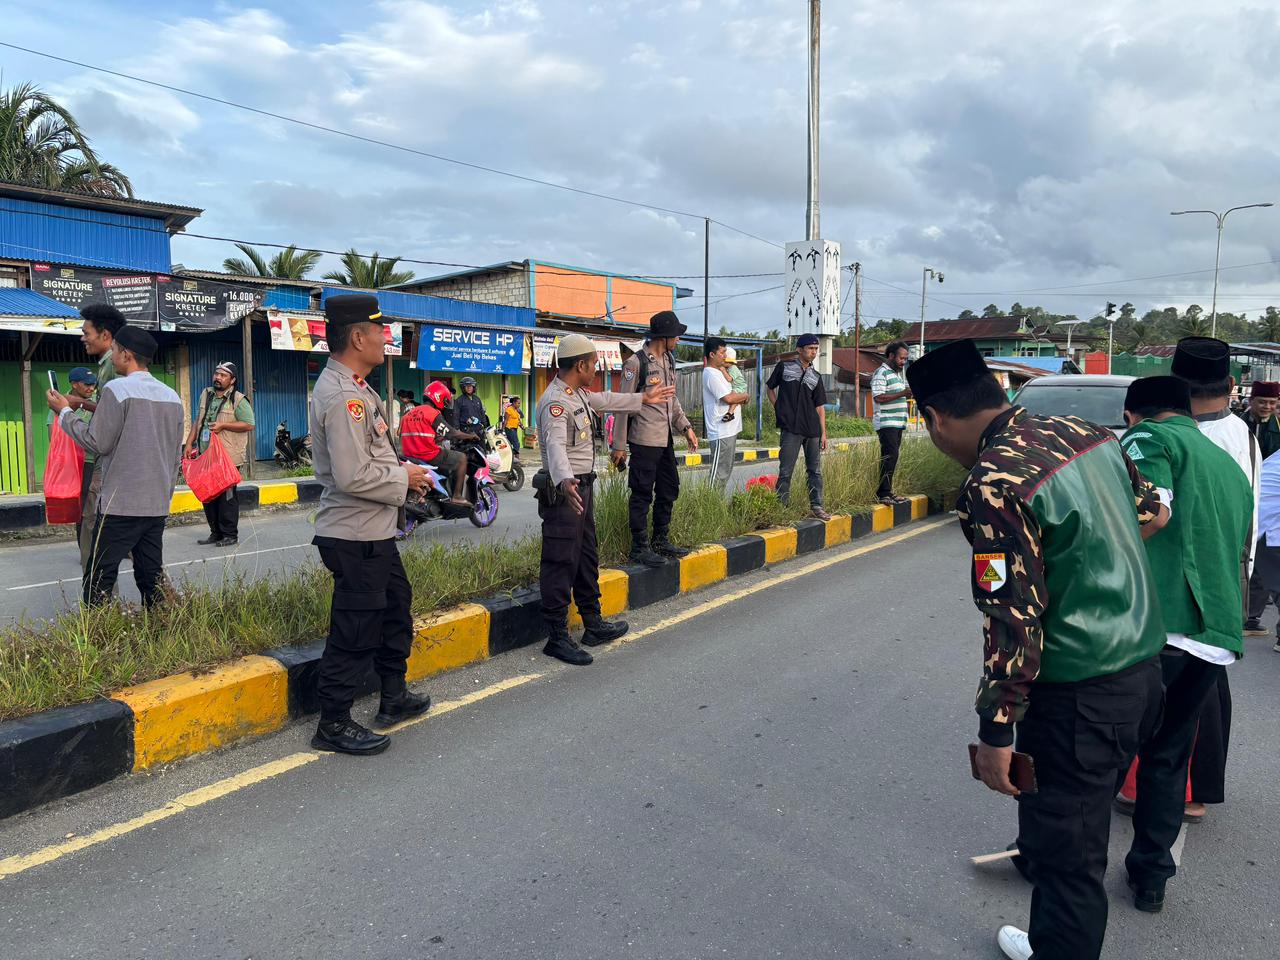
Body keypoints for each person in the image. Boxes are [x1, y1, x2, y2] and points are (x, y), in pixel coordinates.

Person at [906, 339, 1168, 960]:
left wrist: (996, 733)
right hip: (1144, 672)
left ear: (936, 419)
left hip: (1078, 696)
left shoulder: (994, 482)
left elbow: (1011, 618)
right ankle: (1052, 936)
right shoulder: (1086, 433)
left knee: (1068, 861)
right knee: (1080, 826)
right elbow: (1153, 512)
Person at [1118, 376, 1252, 915]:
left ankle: (1051, 865)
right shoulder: (1228, 465)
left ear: (1134, 414)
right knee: (1168, 757)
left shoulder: (1148, 439)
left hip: (1157, 626)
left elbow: (1150, 511)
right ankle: (1150, 879)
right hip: (1213, 636)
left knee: (1094, 755)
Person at [308, 294, 433, 756]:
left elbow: (373, 461)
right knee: (356, 628)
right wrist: (404, 476)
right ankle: (333, 723)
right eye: (380, 330)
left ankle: (392, 696)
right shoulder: (343, 397)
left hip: (375, 530)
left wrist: (407, 480)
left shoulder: (358, 388)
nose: (386, 338)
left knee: (396, 608)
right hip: (353, 534)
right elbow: (352, 474)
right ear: (358, 336)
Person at [535, 334, 674, 665]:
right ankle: (556, 636)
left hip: (582, 488)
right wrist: (566, 480)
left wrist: (645, 397)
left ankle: (592, 623)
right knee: (559, 560)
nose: (596, 367)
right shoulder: (557, 402)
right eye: (594, 362)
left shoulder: (578, 394)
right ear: (580, 365)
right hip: (565, 491)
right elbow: (555, 447)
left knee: (585, 558)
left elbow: (606, 399)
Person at [1170, 336, 1257, 820]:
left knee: (1178, 688)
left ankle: (1174, 789)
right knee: (1206, 683)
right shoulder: (1242, 434)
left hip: (1183, 583)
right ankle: (1197, 790)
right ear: (1229, 383)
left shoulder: (1171, 434)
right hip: (1226, 578)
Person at [47, 326, 184, 609]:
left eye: (115, 352)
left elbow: (97, 441)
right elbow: (174, 457)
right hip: (156, 504)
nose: (112, 358)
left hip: (120, 505)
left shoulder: (117, 389)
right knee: (150, 575)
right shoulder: (172, 396)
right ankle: (160, 631)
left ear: (126, 354)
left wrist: (65, 413)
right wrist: (165, 495)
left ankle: (97, 637)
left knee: (99, 576)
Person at [611, 310, 699, 567]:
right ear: (665, 336)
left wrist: (686, 427)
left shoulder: (669, 360)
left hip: (665, 440)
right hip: (643, 440)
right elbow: (623, 406)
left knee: (669, 488)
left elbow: (672, 399)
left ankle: (661, 540)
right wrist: (619, 445)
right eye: (676, 336)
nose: (679, 340)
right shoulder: (636, 364)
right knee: (641, 493)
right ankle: (640, 547)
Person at [70, 303, 126, 572]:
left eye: (86, 332)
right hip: (111, 460)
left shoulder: (112, 367)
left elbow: (113, 416)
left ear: (105, 335)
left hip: (108, 459)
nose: (83, 337)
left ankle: (98, 601)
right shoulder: (107, 366)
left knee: (93, 529)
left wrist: (72, 406)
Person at [185, 361, 254, 547]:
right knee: (208, 496)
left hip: (227, 458)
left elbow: (249, 424)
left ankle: (230, 535)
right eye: (217, 374)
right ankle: (215, 533)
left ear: (232, 380)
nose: (218, 377)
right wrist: (189, 442)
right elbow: (198, 420)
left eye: (223, 375)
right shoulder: (205, 394)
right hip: (206, 455)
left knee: (226, 499)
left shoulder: (238, 400)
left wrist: (224, 425)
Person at [767, 332, 830, 520]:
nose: (814, 352)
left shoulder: (815, 376)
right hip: (791, 429)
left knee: (814, 470)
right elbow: (770, 387)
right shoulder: (784, 367)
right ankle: (782, 507)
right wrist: (778, 407)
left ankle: (817, 506)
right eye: (810, 348)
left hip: (812, 429)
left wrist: (823, 433)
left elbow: (820, 407)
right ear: (799, 349)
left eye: (816, 349)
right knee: (786, 470)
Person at [399, 382, 478, 507]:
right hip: (428, 456)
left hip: (409, 456)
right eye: (445, 400)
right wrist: (471, 436)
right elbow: (452, 433)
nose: (445, 404)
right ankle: (457, 496)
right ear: (438, 397)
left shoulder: (407, 415)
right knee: (462, 458)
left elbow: (413, 436)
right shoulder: (432, 413)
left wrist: (437, 439)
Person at [46, 367, 98, 559]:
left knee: (96, 507)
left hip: (93, 461)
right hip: (76, 464)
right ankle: (85, 549)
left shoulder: (92, 404)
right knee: (83, 509)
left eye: (94, 385)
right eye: (87, 384)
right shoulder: (59, 403)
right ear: (74, 384)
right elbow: (53, 433)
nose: (92, 388)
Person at [702, 337, 748, 490]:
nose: (725, 356)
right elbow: (729, 398)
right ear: (712, 355)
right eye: (722, 352)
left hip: (729, 430)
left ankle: (715, 506)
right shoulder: (711, 373)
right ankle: (709, 506)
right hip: (721, 431)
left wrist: (740, 397)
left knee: (725, 472)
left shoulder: (720, 372)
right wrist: (745, 396)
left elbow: (734, 394)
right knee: (718, 474)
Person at [870, 340, 912, 506]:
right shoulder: (882, 373)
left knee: (893, 457)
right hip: (886, 422)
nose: (903, 362)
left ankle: (887, 491)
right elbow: (878, 397)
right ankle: (883, 493)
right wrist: (902, 393)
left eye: (905, 359)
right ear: (891, 356)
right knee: (889, 456)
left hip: (897, 422)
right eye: (901, 358)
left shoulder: (897, 374)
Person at [1239, 380, 1280, 459]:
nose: (1267, 407)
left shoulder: (1278, 426)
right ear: (1250, 401)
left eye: (1272, 403)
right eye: (1262, 402)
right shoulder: (1236, 425)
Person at [723, 346, 750, 420]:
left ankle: (730, 412)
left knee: (733, 397)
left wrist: (722, 370)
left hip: (739, 387)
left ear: (728, 361)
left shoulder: (733, 368)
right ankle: (730, 413)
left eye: (724, 361)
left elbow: (729, 379)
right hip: (736, 387)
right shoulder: (729, 368)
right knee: (735, 399)